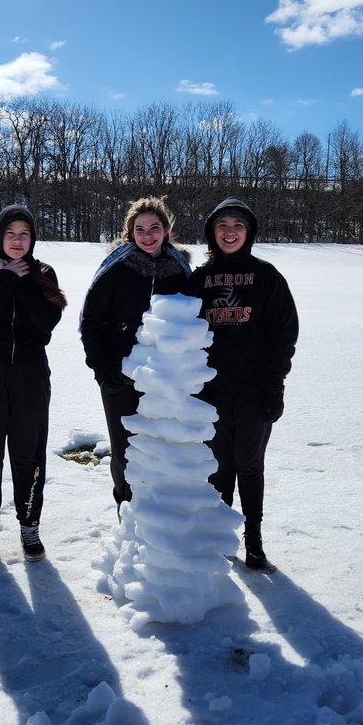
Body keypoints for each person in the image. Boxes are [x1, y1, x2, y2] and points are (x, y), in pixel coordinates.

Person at [189, 197, 298, 571]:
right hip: (212, 392)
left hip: (255, 392)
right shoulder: (200, 279)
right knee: (219, 467)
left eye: (237, 225)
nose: (229, 231)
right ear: (211, 232)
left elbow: (283, 335)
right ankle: (222, 537)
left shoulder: (267, 277)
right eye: (222, 225)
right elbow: (181, 330)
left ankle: (253, 538)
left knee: (249, 464)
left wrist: (275, 386)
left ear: (248, 231)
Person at [0, 205, 66, 564]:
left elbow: (44, 324)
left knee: (29, 454)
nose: (18, 241)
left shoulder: (43, 273)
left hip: (30, 374)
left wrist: (23, 281)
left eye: (24, 234)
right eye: (11, 233)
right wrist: (6, 279)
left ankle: (29, 525)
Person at [81, 197, 191, 509]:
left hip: (164, 378)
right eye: (139, 229)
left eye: (154, 228)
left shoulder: (180, 271)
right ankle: (126, 512)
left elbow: (193, 323)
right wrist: (103, 372)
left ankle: (157, 515)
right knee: (124, 450)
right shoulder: (116, 268)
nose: (147, 235)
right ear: (131, 232)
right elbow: (91, 321)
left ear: (166, 230)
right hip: (120, 377)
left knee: (161, 445)